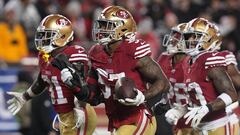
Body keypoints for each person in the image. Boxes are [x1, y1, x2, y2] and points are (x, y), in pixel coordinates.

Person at [54, 6, 170, 135]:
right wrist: (75, 86)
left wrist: (143, 96)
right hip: (116, 121)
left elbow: (163, 83)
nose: (101, 29)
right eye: (101, 25)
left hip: (137, 117)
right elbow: (93, 97)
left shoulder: (132, 50)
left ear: (122, 28)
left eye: (106, 26)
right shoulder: (96, 53)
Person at [6, 14, 97, 135]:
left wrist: (80, 107)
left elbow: (82, 84)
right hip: (64, 117)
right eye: (42, 35)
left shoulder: (73, 53)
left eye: (47, 35)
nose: (42, 38)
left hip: (79, 112)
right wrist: (25, 97)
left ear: (62, 36)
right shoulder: (45, 56)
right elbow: (42, 81)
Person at [164, 18, 239, 135]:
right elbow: (198, 97)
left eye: (196, 36)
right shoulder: (188, 62)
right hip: (200, 127)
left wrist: (206, 108)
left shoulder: (209, 59)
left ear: (209, 39)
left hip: (220, 124)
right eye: (189, 36)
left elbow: (231, 94)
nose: (191, 40)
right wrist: (181, 110)